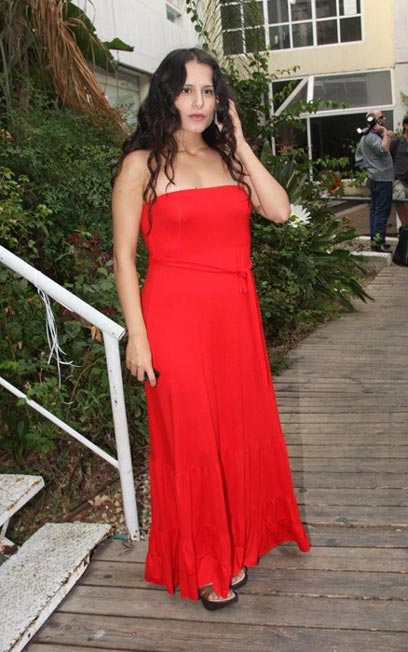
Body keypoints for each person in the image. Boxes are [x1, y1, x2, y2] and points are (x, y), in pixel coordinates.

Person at [112, 47, 310, 610]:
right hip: (173, 319)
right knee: (193, 441)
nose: (197, 102)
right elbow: (124, 258)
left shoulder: (229, 159)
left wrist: (241, 141)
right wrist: (138, 336)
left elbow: (279, 210)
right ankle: (205, 563)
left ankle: (234, 544)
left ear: (220, 100)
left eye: (207, 90)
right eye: (186, 90)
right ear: (166, 95)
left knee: (235, 435)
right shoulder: (142, 164)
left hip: (234, 320)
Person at [355, 109, 394, 252]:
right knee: (382, 212)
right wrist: (384, 132)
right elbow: (384, 149)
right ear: (375, 121)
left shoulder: (366, 137)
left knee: (375, 211)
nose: (384, 119)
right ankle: (378, 243)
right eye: (381, 117)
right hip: (381, 180)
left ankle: (376, 241)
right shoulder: (372, 137)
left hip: (376, 179)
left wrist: (370, 168)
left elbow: (359, 158)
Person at [390, 115, 408, 230]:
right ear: (406, 126)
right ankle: (405, 227)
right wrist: (392, 179)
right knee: (398, 197)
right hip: (400, 180)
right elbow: (387, 160)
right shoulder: (397, 141)